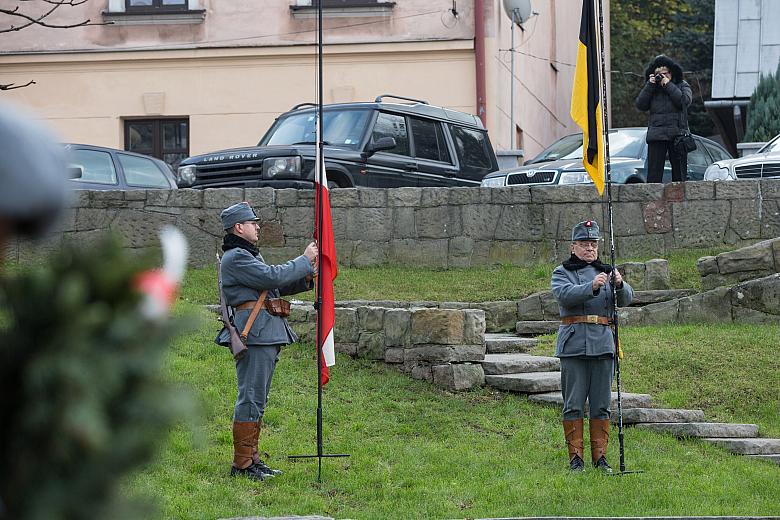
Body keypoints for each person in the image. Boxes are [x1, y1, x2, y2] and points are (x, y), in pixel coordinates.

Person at [218, 202, 318, 482]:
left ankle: (252, 459)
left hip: (265, 333)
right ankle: (242, 464)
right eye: (253, 222)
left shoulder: (247, 255)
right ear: (239, 227)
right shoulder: (236, 257)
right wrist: (303, 259)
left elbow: (273, 286)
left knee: (258, 398)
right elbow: (271, 276)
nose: (257, 226)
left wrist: (306, 273)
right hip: (256, 335)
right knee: (251, 397)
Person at [551, 220, 633, 472]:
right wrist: (591, 286)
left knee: (601, 403)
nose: (590, 248)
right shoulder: (562, 272)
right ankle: (576, 459)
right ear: (573, 247)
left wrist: (620, 284)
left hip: (603, 344)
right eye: (584, 244)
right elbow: (564, 296)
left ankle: (601, 458)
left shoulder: (607, 271)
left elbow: (627, 299)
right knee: (573, 403)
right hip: (574, 344)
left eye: (593, 244)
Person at [635, 54, 693, 183]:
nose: (661, 76)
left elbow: (684, 102)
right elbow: (640, 105)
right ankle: (653, 197)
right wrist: (649, 85)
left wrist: (668, 84)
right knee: (653, 177)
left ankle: (679, 196)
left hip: (678, 135)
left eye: (665, 73)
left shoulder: (682, 85)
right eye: (658, 74)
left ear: (671, 73)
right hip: (657, 135)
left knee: (679, 176)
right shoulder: (652, 88)